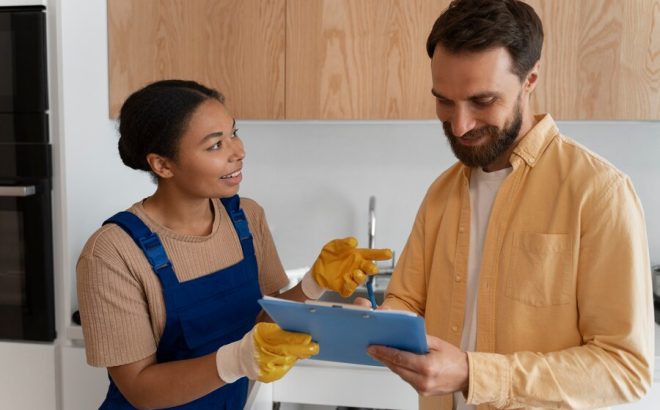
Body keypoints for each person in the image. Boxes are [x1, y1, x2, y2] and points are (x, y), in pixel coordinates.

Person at [366, 0, 655, 409]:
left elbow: (624, 368)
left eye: (482, 101)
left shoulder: (599, 193)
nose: (459, 124)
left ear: (530, 79)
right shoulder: (442, 193)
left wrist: (473, 373)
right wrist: (373, 324)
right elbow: (408, 301)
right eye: (444, 101)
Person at [76, 79, 392, 409]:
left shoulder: (246, 218)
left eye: (234, 133)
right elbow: (140, 389)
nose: (238, 152)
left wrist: (313, 284)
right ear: (163, 164)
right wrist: (235, 361)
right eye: (215, 145)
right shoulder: (112, 252)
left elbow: (265, 325)